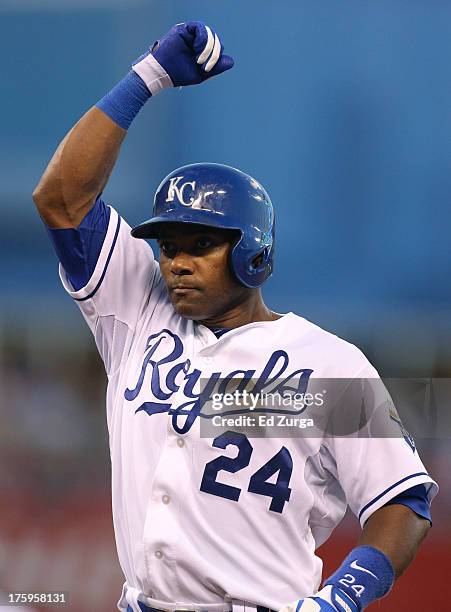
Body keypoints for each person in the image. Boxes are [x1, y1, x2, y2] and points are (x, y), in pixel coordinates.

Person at [33, 21, 437, 612]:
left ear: (252, 253)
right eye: (168, 246)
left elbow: (403, 503)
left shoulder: (329, 363)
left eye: (200, 244)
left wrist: (341, 598)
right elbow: (61, 200)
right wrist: (146, 78)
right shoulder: (138, 308)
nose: (177, 263)